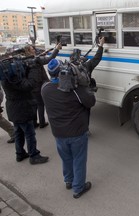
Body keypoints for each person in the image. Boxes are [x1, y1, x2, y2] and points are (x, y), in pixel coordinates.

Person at [41, 58, 96, 198]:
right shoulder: (76, 91)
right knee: (79, 159)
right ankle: (78, 188)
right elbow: (91, 102)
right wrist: (83, 85)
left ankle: (69, 181)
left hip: (58, 133)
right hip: (77, 133)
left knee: (66, 159)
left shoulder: (45, 89)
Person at [1, 55, 51, 165]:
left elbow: (23, 79)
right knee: (29, 133)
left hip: (14, 109)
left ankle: (20, 154)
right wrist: (33, 67)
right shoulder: (13, 79)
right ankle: (34, 155)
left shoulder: (6, 76)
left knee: (18, 132)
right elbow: (29, 84)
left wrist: (27, 67)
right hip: (22, 109)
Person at [23, 44, 62, 128]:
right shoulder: (36, 60)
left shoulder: (26, 60)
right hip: (39, 85)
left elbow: (39, 58)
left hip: (31, 86)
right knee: (40, 104)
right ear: (29, 51)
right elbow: (49, 59)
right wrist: (57, 49)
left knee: (34, 104)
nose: (34, 50)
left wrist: (45, 52)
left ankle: (34, 123)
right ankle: (42, 123)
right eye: (32, 49)